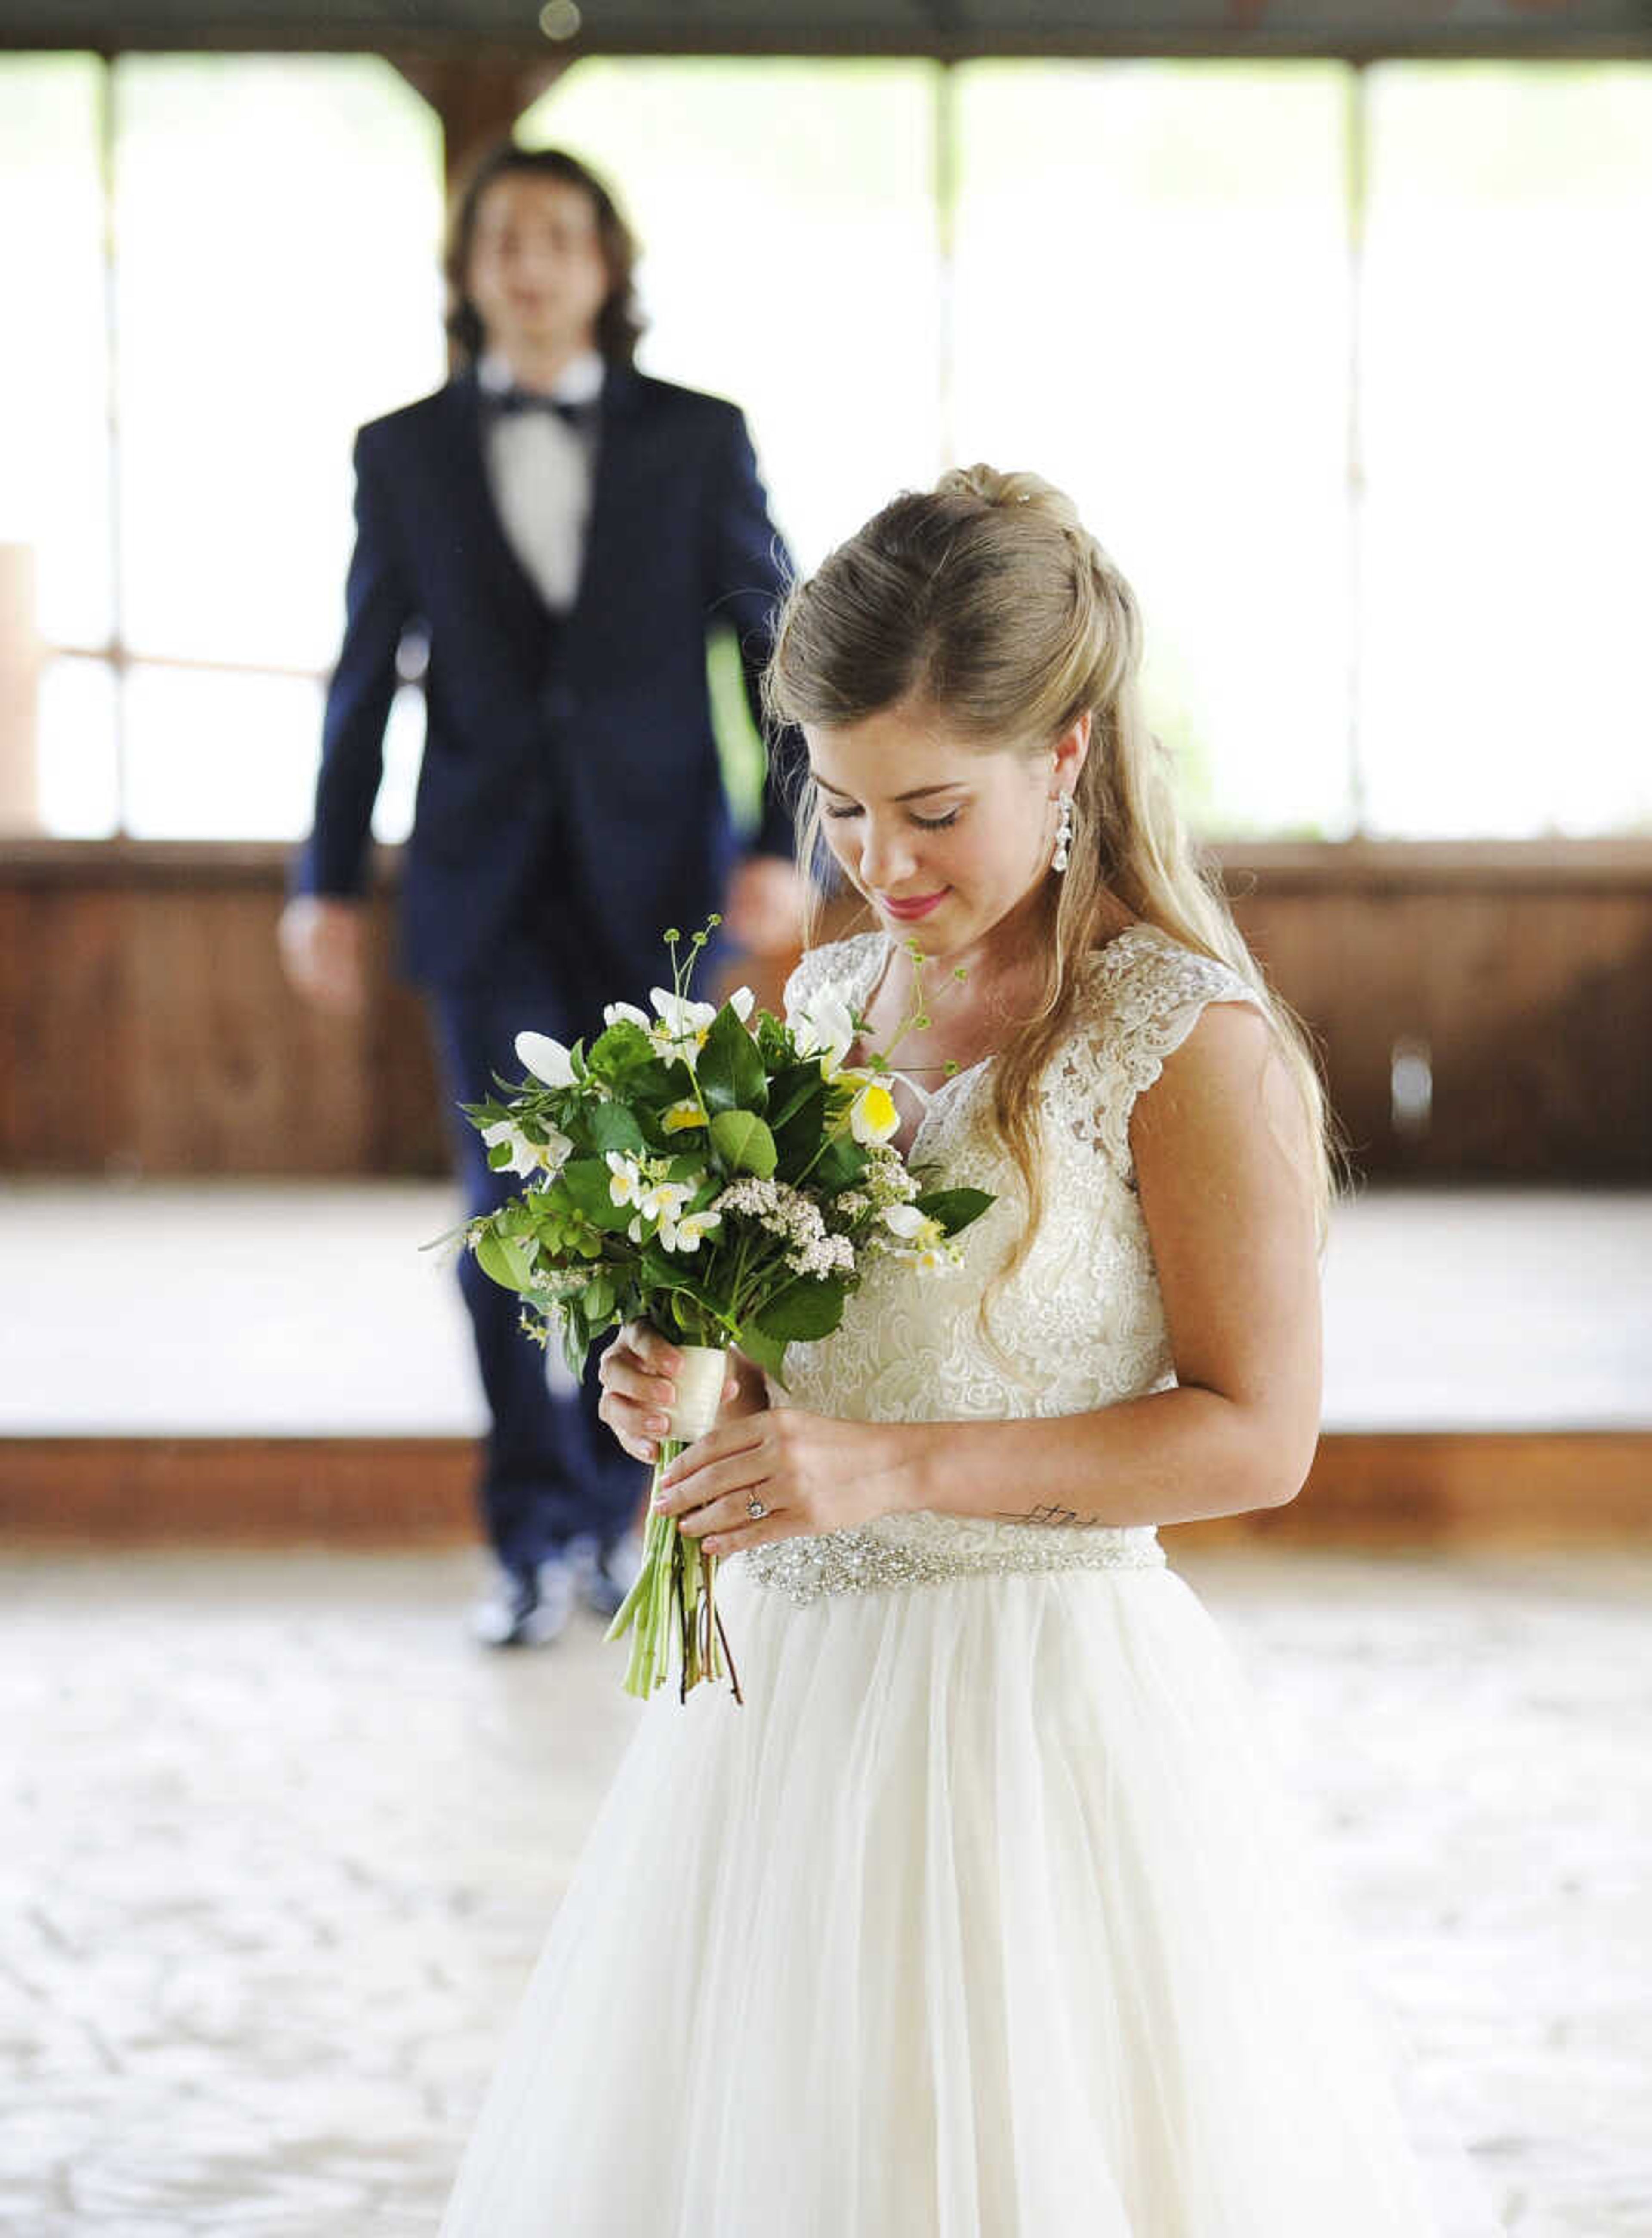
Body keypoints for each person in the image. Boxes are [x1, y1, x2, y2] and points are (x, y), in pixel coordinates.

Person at [435, 468, 1502, 2232]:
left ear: (1068, 757)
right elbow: (813, 1355)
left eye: (932, 807)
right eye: (841, 806)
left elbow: (1260, 1436)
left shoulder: (1179, 1031)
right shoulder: (836, 1002)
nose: (883, 862)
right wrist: (705, 1392)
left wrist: (895, 1467)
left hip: (1040, 1717)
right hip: (785, 1710)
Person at [280, 143, 804, 1650]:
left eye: (558, 237)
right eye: (501, 238)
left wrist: (784, 839)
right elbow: (363, 676)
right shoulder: (402, 451)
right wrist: (325, 878)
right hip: (480, 883)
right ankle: (533, 1532)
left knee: (661, 1212)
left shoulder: (702, 438)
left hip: (664, 884)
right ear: (468, 269)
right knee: (507, 1215)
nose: (528, 263)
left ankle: (638, 1511)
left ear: (606, 265)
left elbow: (774, 652)